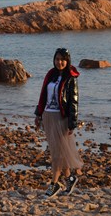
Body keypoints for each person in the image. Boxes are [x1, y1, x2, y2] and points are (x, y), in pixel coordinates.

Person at [34, 47, 83, 198]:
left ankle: (54, 184)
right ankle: (70, 179)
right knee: (57, 150)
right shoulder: (51, 74)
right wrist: (38, 114)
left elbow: (74, 102)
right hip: (48, 116)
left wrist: (72, 123)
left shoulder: (71, 77)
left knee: (57, 153)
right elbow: (43, 95)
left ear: (67, 61)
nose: (59, 62)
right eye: (57, 59)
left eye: (62, 59)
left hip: (61, 118)